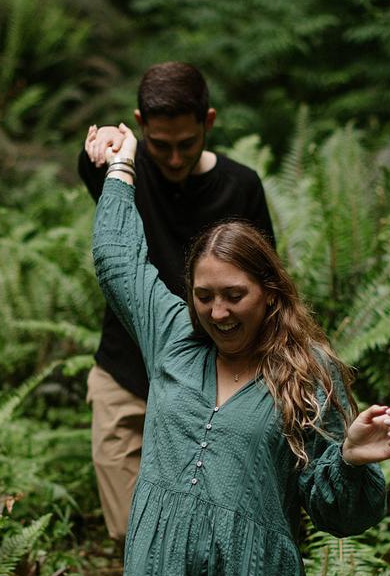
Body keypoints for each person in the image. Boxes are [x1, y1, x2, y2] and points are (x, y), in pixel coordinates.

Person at [88, 122, 390, 576]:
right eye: (204, 294)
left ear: (268, 289)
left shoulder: (309, 372)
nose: (217, 310)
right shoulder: (172, 334)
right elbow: (118, 259)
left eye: (232, 294)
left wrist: (350, 459)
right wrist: (120, 168)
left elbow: (341, 511)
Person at [79, 62, 274, 547]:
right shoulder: (123, 171)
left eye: (186, 144)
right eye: (160, 144)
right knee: (131, 528)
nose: (172, 157)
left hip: (211, 375)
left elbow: (263, 284)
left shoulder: (239, 186)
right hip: (126, 370)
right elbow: (94, 163)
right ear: (140, 125)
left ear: (208, 122)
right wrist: (107, 143)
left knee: (201, 529)